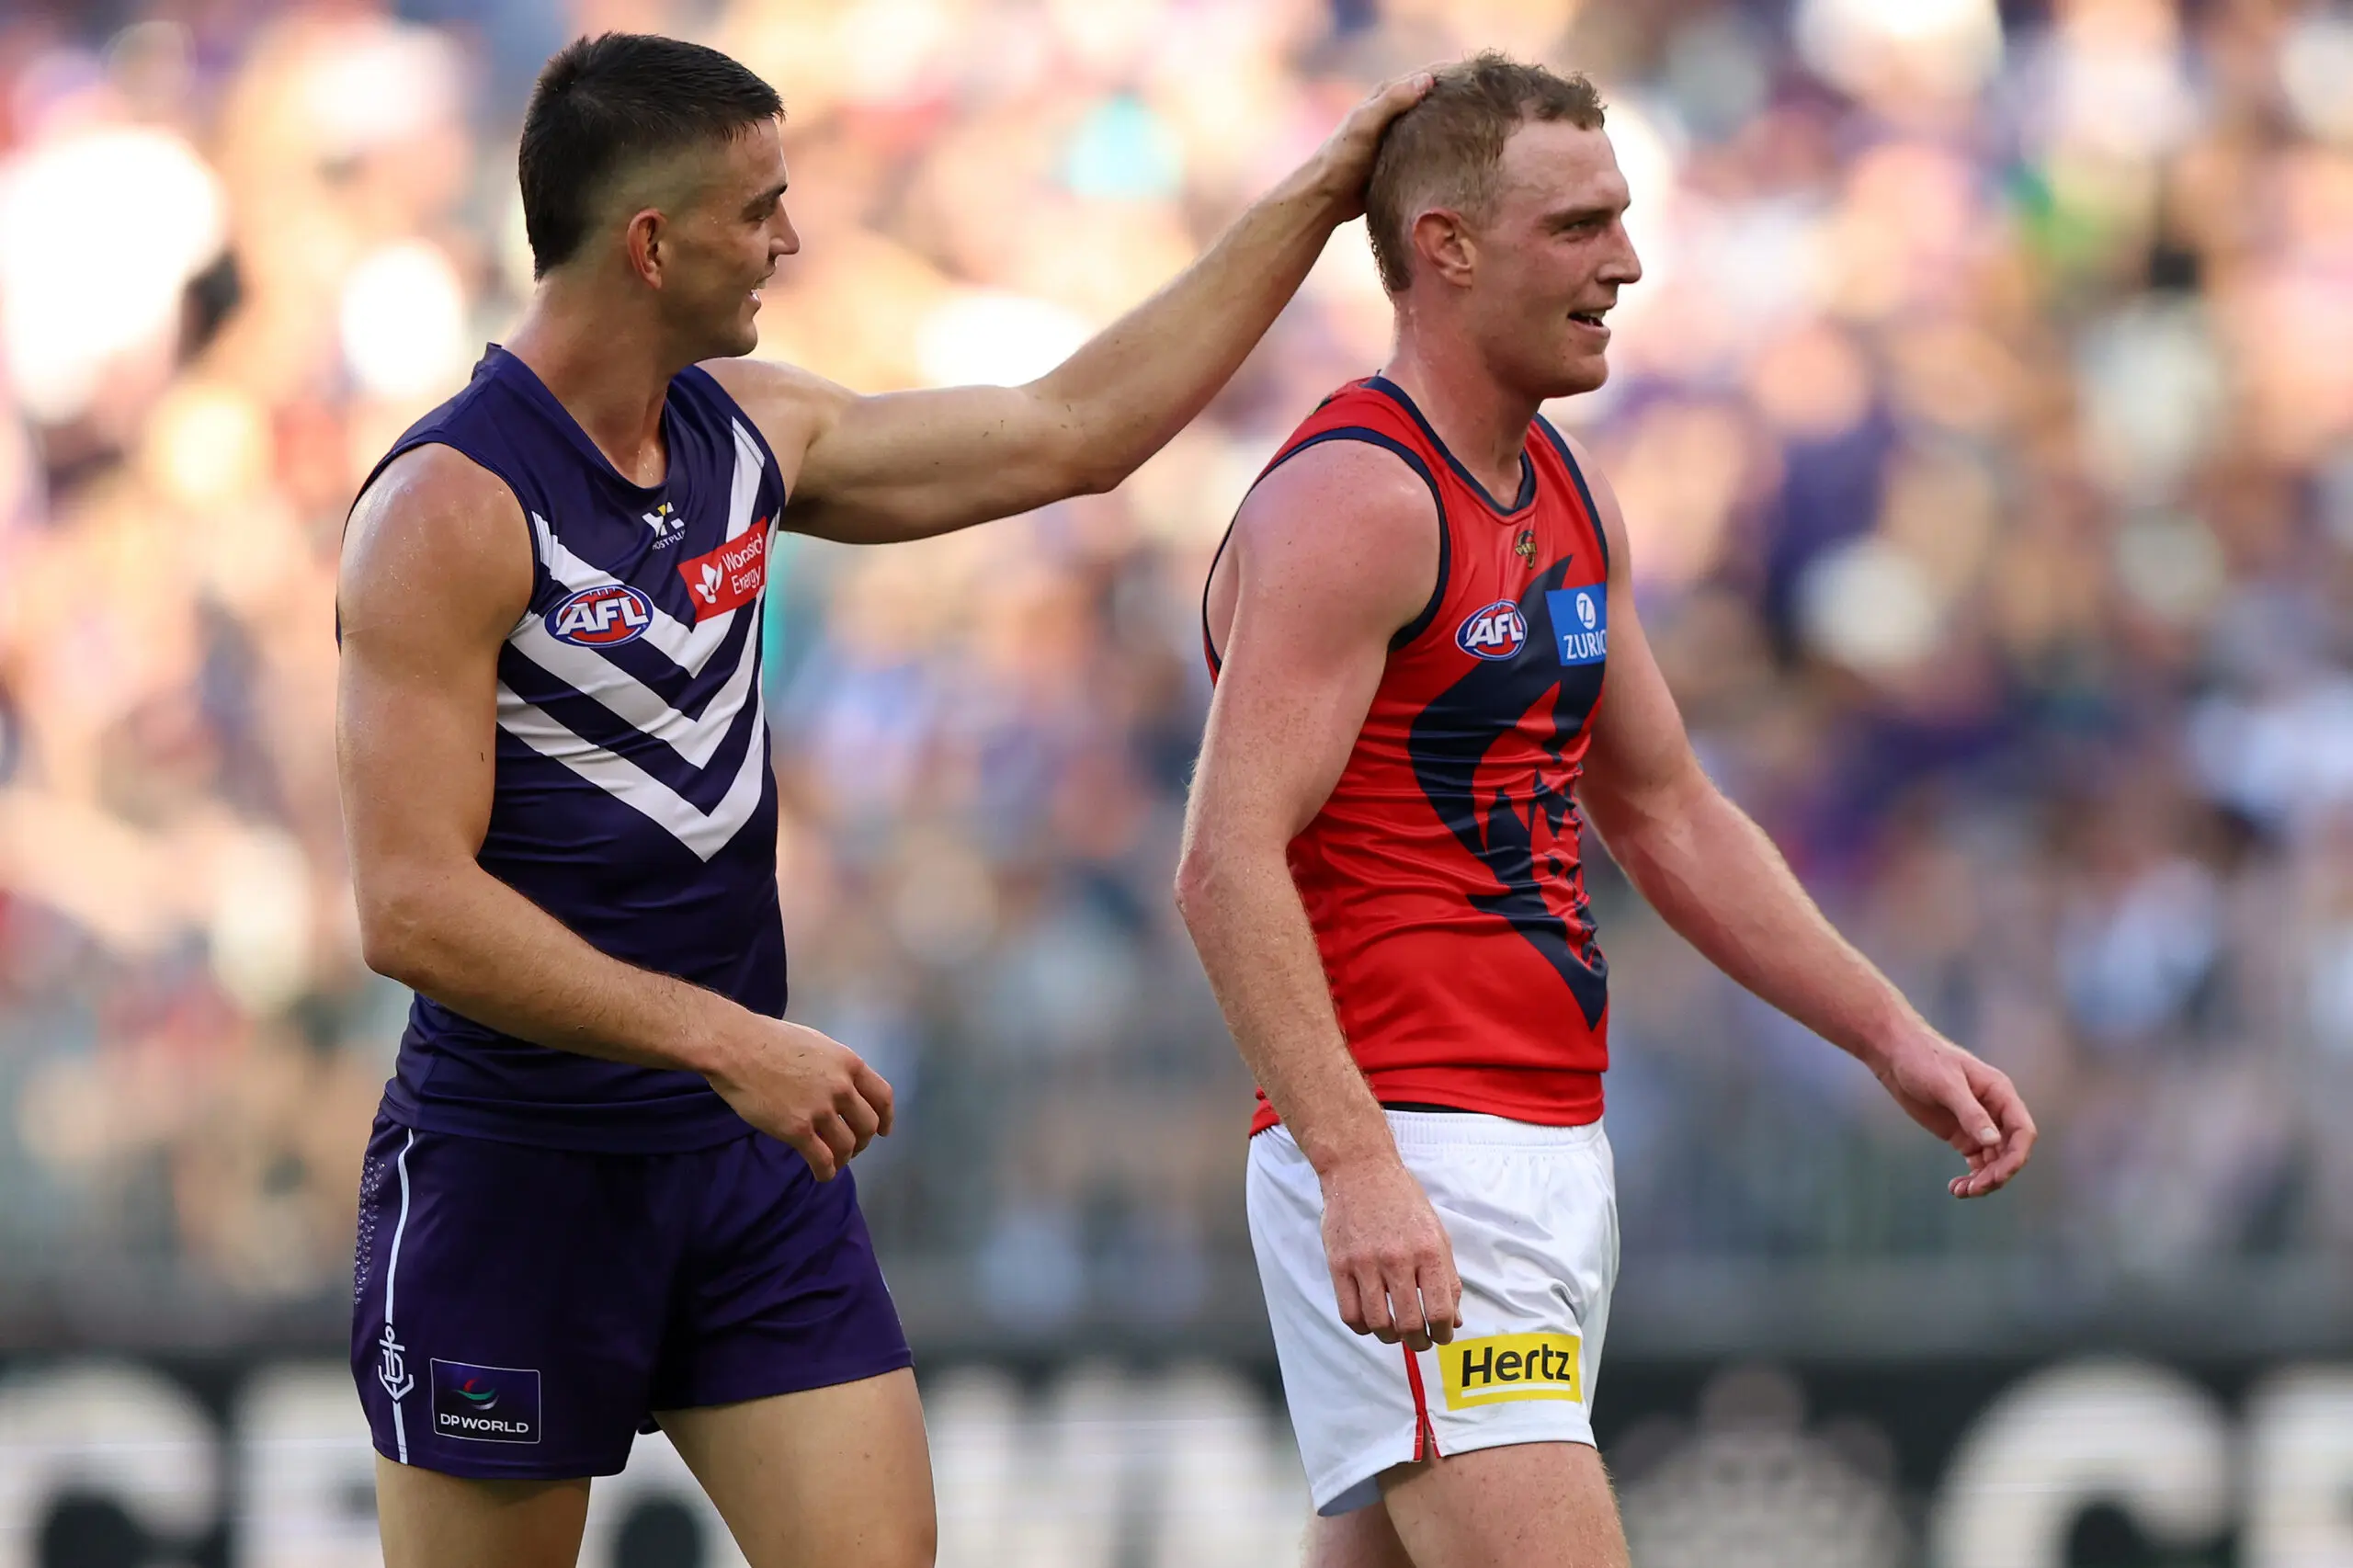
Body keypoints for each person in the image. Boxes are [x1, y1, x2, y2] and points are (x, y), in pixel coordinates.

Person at [337, 30, 1425, 1568]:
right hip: (518, 1169)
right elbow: (410, 905)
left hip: (741, 1165)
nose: (791, 238)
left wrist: (1315, 198)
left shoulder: (755, 431)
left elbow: (1073, 432)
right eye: (760, 208)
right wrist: (725, 1038)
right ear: (650, 245)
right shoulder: (444, 508)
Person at [1175, 53, 2038, 1568]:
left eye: (1623, 220)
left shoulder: (1565, 487)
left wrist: (1888, 1030)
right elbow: (1221, 862)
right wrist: (1358, 1162)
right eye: (1577, 226)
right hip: (1422, 1150)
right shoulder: (1356, 500)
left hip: (1548, 1139)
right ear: (1443, 246)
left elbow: (1668, 811)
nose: (1626, 263)